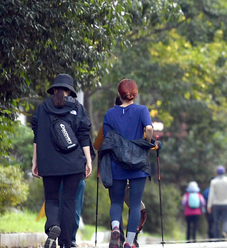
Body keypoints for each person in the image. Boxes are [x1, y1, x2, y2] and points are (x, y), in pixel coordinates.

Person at [32, 74, 93, 248]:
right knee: (68, 202)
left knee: (51, 199)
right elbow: (83, 137)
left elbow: (37, 136)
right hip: (72, 164)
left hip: (48, 163)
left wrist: (34, 161)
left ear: (55, 88)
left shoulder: (42, 108)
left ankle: (53, 226)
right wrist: (88, 161)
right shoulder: (78, 108)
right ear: (69, 90)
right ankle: (66, 242)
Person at [100, 79, 154, 248]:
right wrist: (147, 141)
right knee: (136, 204)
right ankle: (129, 242)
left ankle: (116, 228)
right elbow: (150, 129)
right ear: (135, 94)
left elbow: (109, 139)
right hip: (138, 164)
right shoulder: (142, 110)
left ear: (119, 94)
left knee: (116, 202)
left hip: (117, 163)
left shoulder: (110, 114)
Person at [207, 165, 227, 240]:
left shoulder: (213, 182)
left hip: (216, 204)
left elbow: (211, 194)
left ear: (216, 173)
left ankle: (217, 238)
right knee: (225, 220)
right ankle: (224, 232)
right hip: (226, 203)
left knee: (216, 221)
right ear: (224, 172)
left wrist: (209, 205)